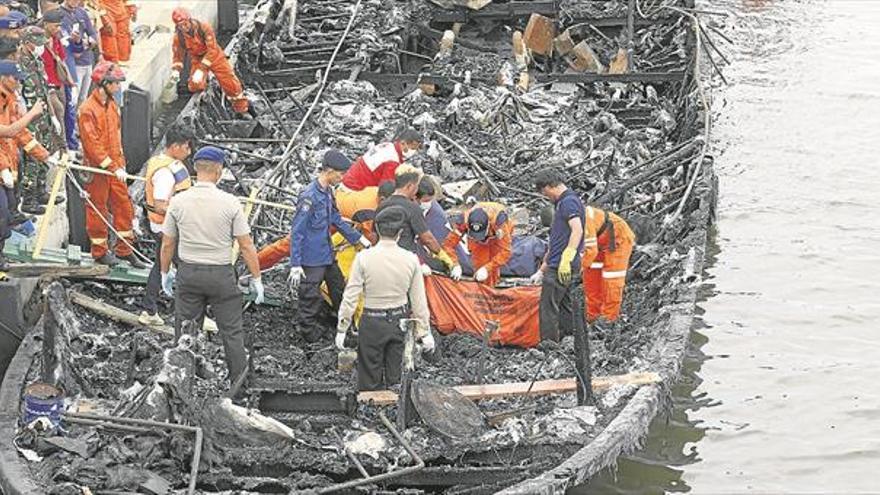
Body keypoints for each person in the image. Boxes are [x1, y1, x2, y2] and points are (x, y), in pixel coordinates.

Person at [159, 146, 264, 386]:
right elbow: (246, 245)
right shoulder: (230, 203)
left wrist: (166, 272)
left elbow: (167, 244)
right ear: (219, 171)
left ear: (195, 169)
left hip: (189, 273)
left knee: (185, 331)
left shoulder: (178, 201)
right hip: (221, 275)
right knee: (232, 333)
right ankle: (240, 386)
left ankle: (181, 384)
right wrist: (257, 278)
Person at [337, 206, 435, 391]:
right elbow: (419, 300)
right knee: (397, 380)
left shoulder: (363, 258)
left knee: (368, 381)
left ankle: (369, 413)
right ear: (400, 233)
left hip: (371, 321)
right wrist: (424, 332)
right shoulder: (411, 259)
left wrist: (342, 326)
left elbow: (350, 295)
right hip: (400, 321)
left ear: (377, 230)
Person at [288, 150, 371, 343]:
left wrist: (358, 238)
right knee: (309, 297)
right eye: (340, 175)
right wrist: (295, 263)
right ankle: (309, 337)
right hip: (311, 258)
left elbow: (336, 218)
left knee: (339, 290)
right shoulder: (309, 196)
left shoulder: (328, 192)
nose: (342, 179)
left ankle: (345, 328)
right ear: (330, 171)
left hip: (327, 254)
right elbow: (298, 231)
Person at [78, 61, 142, 267]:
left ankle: (124, 249)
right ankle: (99, 250)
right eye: (115, 83)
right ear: (104, 83)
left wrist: (119, 164)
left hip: (115, 166)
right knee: (97, 209)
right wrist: (112, 166)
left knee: (124, 204)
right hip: (97, 169)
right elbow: (92, 144)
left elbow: (115, 137)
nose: (118, 87)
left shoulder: (112, 104)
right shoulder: (87, 110)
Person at [254, 181, 394, 271]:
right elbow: (370, 242)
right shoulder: (368, 210)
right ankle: (254, 265)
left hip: (337, 210)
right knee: (290, 245)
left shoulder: (374, 189)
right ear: (382, 199)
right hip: (325, 215)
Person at [138, 126, 193, 326]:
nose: (189, 151)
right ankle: (192, 314)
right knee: (187, 268)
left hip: (165, 227)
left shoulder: (164, 163)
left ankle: (150, 309)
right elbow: (161, 205)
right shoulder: (165, 173)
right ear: (176, 146)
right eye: (186, 147)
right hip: (167, 228)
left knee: (162, 265)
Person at [0, 60, 47, 269]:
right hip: (3, 168)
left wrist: (44, 155)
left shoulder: (9, 101)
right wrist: (33, 113)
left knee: (9, 210)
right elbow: (8, 131)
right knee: (2, 214)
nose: (18, 83)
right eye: (15, 79)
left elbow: (21, 134)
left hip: (8, 167)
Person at [532, 169, 585, 342]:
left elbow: (577, 230)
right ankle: (570, 342)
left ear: (550, 186)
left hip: (562, 265)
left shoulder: (569, 202)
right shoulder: (562, 204)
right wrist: (541, 270)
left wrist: (566, 258)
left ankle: (549, 347)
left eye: (545, 192)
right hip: (558, 263)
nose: (546, 196)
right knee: (564, 306)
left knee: (548, 308)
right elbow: (556, 242)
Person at [17, 26, 65, 214]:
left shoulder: (37, 61)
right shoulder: (18, 64)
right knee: (32, 159)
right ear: (27, 42)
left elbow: (44, 91)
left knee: (44, 153)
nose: (40, 48)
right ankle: (29, 199)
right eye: (37, 44)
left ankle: (41, 191)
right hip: (29, 119)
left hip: (42, 115)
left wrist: (52, 115)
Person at [374, 165, 455, 271]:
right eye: (416, 187)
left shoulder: (381, 206)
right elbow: (427, 239)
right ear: (409, 186)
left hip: (383, 259)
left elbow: (374, 236)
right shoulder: (412, 208)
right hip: (407, 260)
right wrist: (444, 257)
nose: (416, 190)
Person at [171, 7, 249, 114]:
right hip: (198, 58)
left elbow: (212, 49)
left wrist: (202, 68)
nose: (184, 27)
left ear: (189, 20)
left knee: (230, 83)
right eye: (180, 26)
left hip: (215, 56)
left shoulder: (204, 28)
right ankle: (206, 87)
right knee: (195, 85)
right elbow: (177, 56)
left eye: (185, 24)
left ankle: (241, 109)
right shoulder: (179, 37)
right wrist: (176, 70)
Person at [581, 205, 636, 323]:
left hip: (618, 239)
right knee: (591, 278)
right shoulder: (564, 223)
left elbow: (590, 252)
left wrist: (576, 269)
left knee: (612, 280)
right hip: (600, 242)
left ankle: (609, 320)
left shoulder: (583, 219)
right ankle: (592, 316)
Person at [445, 202, 513, 287]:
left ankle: (493, 286)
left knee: (494, 263)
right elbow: (448, 245)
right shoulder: (463, 222)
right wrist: (454, 265)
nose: (480, 239)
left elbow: (506, 251)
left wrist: (487, 268)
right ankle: (482, 288)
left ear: (488, 225)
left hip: (495, 236)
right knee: (480, 264)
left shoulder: (499, 223)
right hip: (476, 240)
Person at [41, 8, 78, 151]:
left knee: (63, 116)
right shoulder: (38, 43)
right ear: (45, 24)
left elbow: (62, 61)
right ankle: (61, 150)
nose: (58, 28)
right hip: (49, 88)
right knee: (57, 116)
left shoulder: (56, 39)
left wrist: (71, 82)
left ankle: (64, 149)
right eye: (55, 25)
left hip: (60, 85)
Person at [341, 129, 423, 191]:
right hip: (354, 189)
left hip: (348, 180)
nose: (413, 152)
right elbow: (386, 189)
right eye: (412, 148)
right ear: (402, 143)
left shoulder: (387, 146)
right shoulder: (392, 161)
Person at [59, 0, 99, 105]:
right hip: (74, 65)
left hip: (88, 61)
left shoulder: (81, 12)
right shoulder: (59, 14)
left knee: (83, 99)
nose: (76, 1)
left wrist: (88, 42)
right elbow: (65, 41)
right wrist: (80, 42)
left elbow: (93, 34)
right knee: (73, 101)